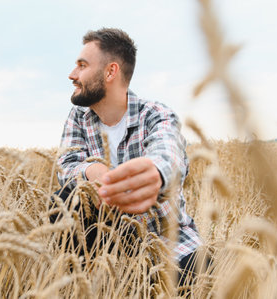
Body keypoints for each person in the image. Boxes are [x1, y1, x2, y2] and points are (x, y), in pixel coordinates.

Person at [55, 28, 203, 286]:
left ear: (110, 72)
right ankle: (86, 284)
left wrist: (154, 173)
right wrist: (92, 172)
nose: (72, 74)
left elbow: (170, 152)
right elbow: (65, 166)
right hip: (107, 238)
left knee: (200, 281)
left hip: (165, 240)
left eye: (81, 65)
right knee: (65, 199)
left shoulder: (155, 114)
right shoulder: (79, 117)